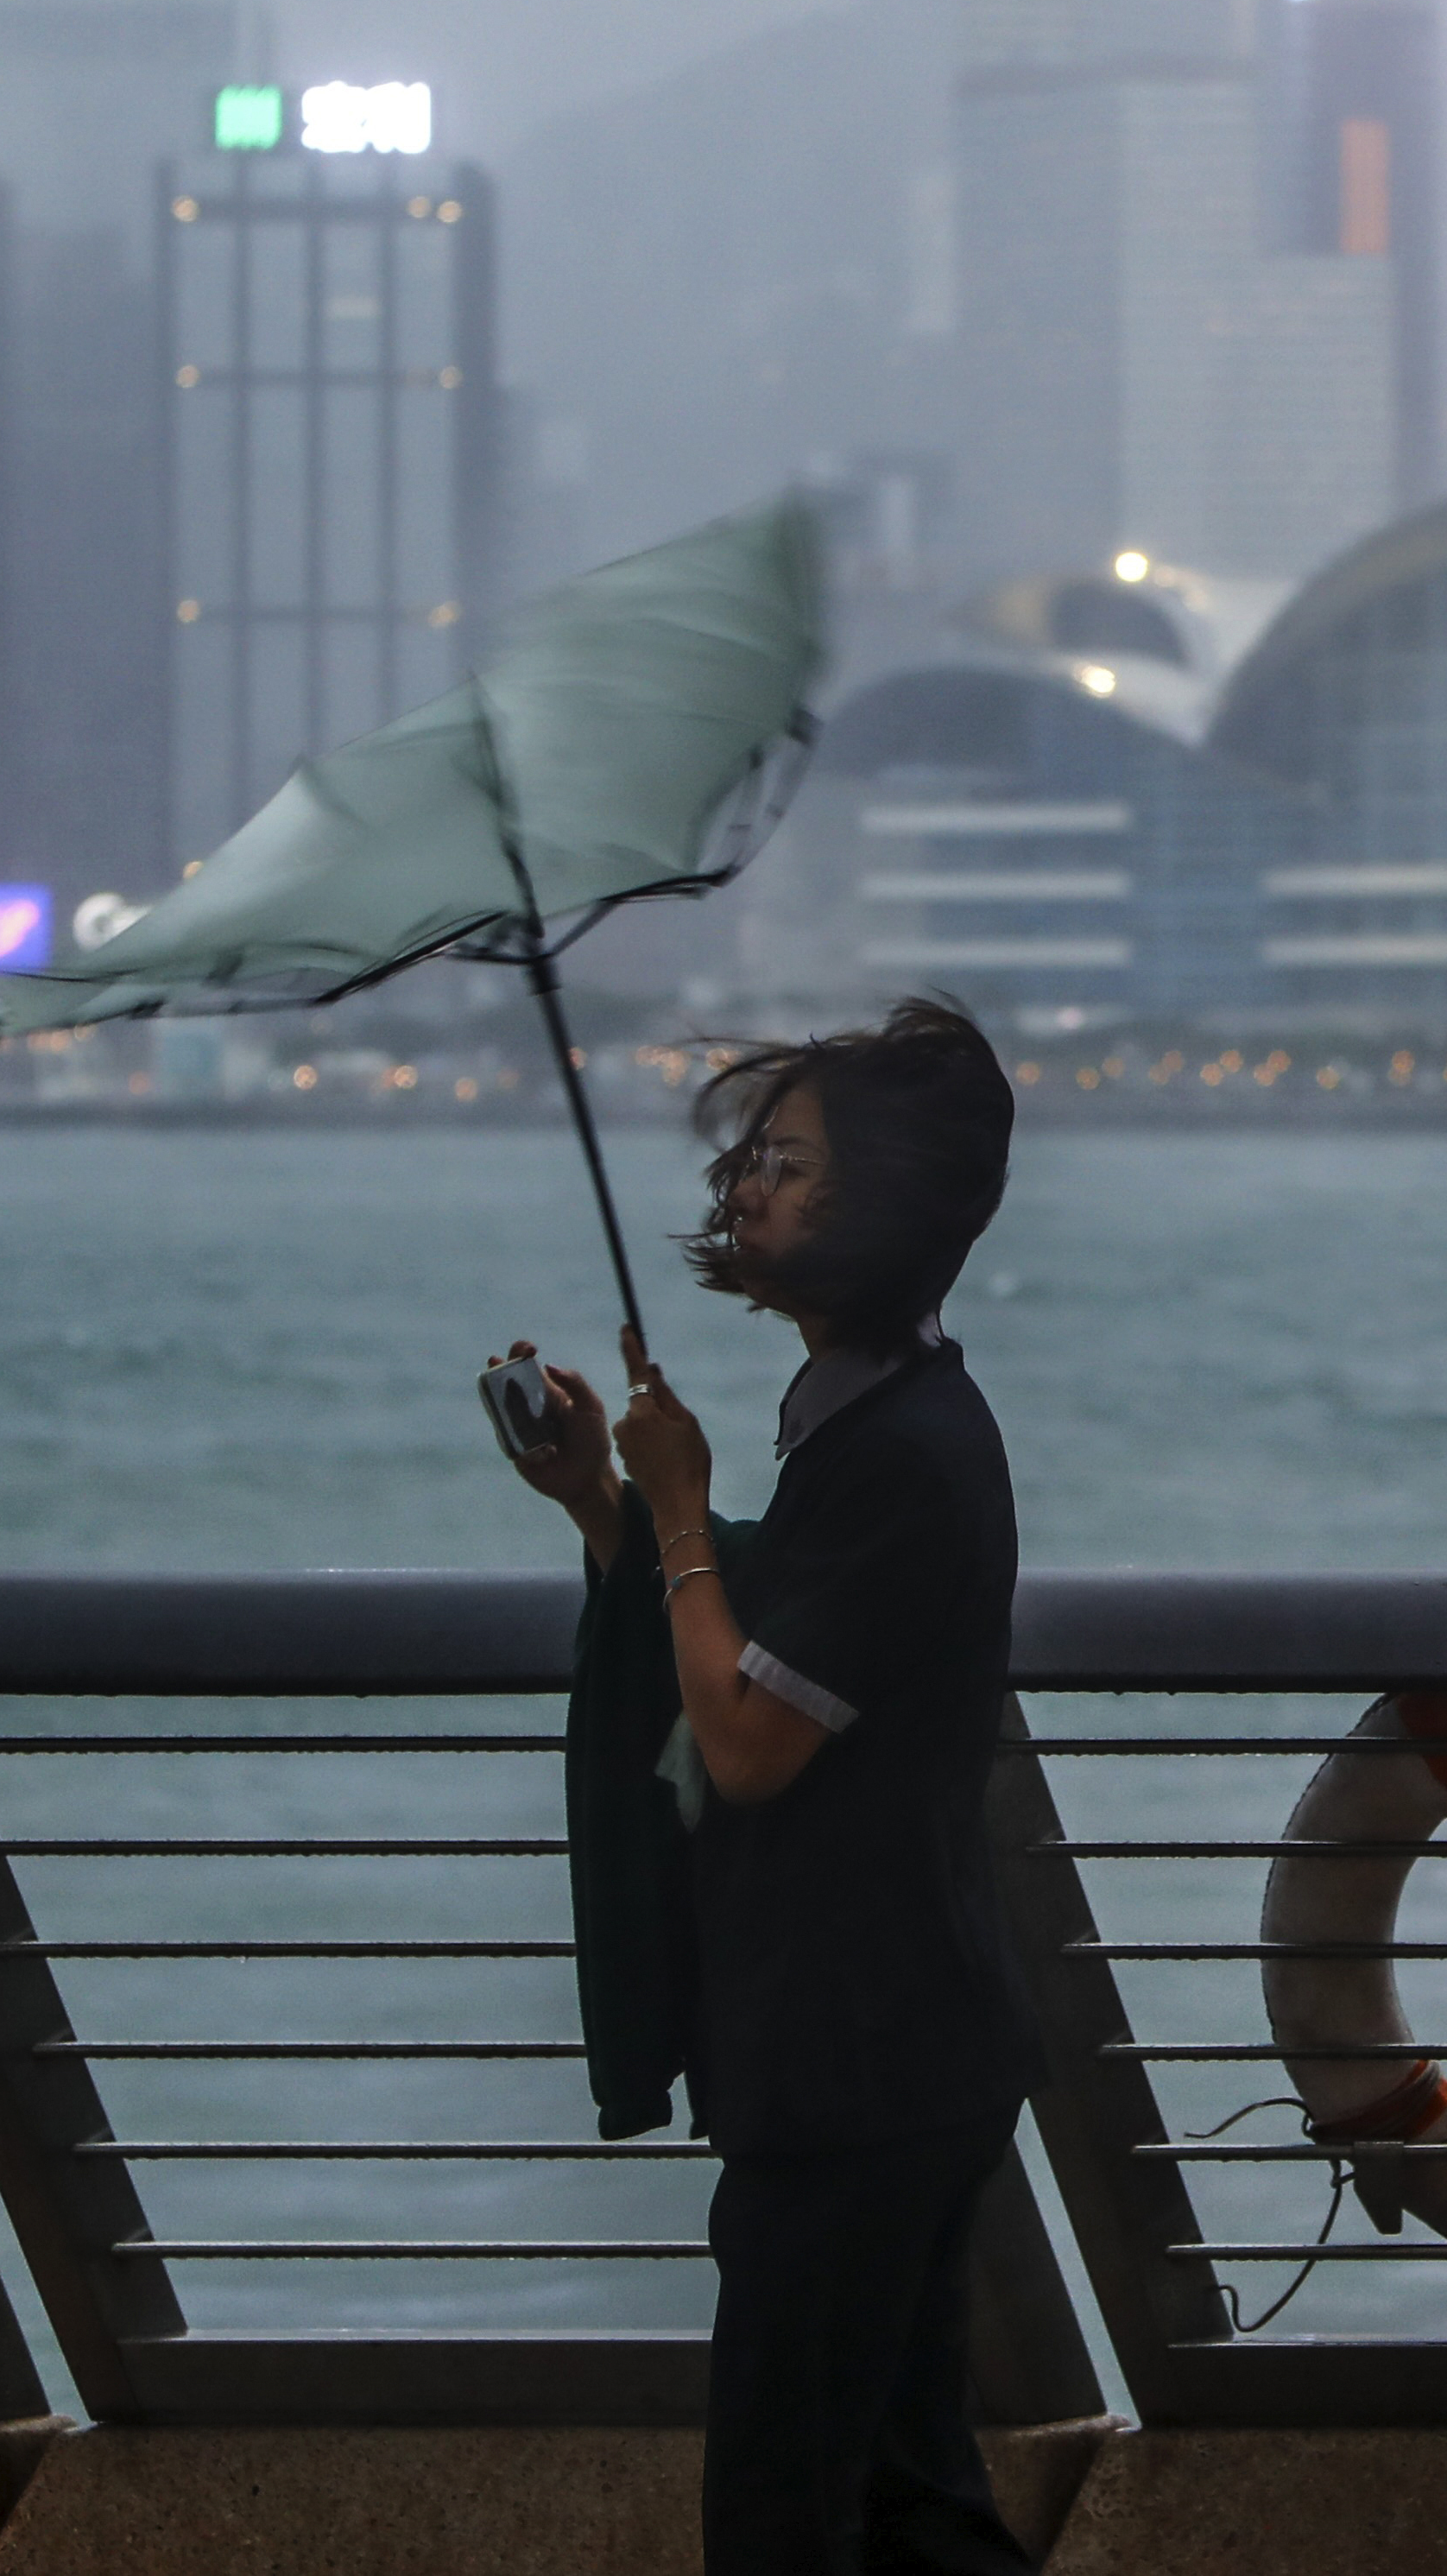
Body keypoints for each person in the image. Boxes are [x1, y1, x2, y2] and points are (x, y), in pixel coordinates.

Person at [492, 997, 1046, 2576]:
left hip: (863, 2052)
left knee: (791, 2514)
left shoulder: (905, 1456)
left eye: (788, 1162)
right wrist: (607, 1499)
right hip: (881, 2040)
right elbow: (745, 1630)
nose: (744, 1187)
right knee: (905, 2500)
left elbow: (747, 1739)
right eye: (752, 1154)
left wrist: (676, 1508)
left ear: (880, 1208)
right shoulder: (865, 1419)